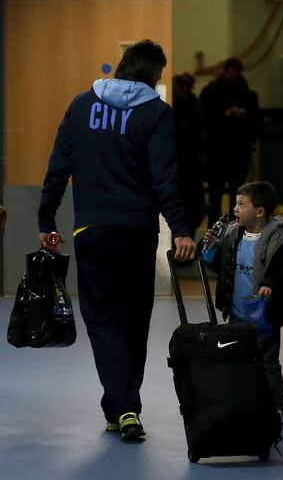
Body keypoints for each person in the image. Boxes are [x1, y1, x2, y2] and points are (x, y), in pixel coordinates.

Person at [37, 39, 196, 441]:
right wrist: (178, 227)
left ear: (122, 65)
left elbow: (59, 166)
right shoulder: (156, 113)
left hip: (92, 231)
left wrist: (46, 218)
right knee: (134, 320)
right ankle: (124, 407)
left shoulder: (80, 105)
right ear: (153, 74)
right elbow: (165, 177)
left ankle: (122, 407)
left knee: (104, 321)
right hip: (138, 231)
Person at [202, 181, 283, 424]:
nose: (235, 209)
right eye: (236, 204)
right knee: (239, 360)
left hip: (264, 314)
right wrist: (209, 249)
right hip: (237, 312)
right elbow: (220, 266)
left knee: (267, 362)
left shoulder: (280, 237)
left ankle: (276, 406)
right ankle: (245, 403)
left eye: (241, 204)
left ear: (259, 212)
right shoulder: (232, 233)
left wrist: (271, 282)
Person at [199, 58, 260, 227]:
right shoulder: (213, 93)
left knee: (233, 193)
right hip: (221, 150)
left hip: (232, 149)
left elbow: (255, 121)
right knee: (218, 194)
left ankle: (231, 227)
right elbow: (204, 119)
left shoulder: (213, 92)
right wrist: (225, 115)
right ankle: (219, 227)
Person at [172, 72, 206, 239]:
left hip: (185, 162)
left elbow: (182, 134)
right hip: (190, 162)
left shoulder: (185, 108)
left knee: (186, 202)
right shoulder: (195, 106)